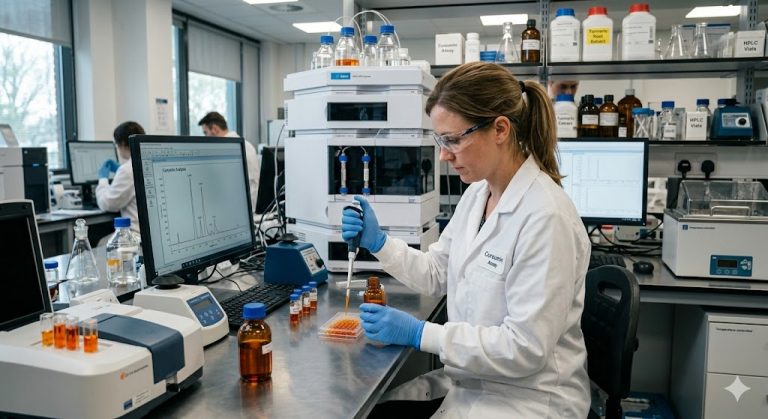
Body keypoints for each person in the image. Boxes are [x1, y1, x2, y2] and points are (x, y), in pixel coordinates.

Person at [342, 62, 591, 418]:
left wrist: (420, 334)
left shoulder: (546, 217)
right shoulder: (478, 195)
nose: (443, 155)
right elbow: (436, 273)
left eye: (453, 140)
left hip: (528, 401)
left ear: (500, 129)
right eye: (439, 140)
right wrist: (379, 241)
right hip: (475, 384)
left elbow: (526, 348)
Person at [198, 112, 260, 209]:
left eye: (206, 132)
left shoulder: (225, 148)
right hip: (250, 204)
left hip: (241, 207)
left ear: (214, 129)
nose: (206, 137)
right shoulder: (245, 144)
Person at [96, 121, 144, 233]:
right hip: (148, 234)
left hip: (135, 236)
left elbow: (107, 204)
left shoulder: (127, 170)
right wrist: (120, 170)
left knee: (101, 242)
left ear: (122, 143)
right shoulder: (140, 163)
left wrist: (103, 179)